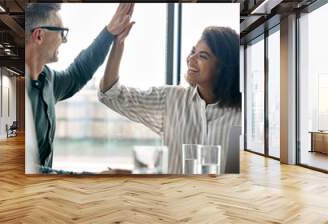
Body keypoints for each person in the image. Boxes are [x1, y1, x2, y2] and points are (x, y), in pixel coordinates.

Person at [98, 25, 241, 174]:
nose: (191, 59)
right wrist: (119, 43)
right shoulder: (170, 99)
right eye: (193, 52)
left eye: (202, 56)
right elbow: (110, 94)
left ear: (223, 67)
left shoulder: (240, 115)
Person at [25, 3, 135, 171]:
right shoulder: (20, 95)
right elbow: (28, 169)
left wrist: (109, 33)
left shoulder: (47, 79)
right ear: (39, 36)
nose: (65, 39)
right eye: (61, 32)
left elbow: (78, 73)